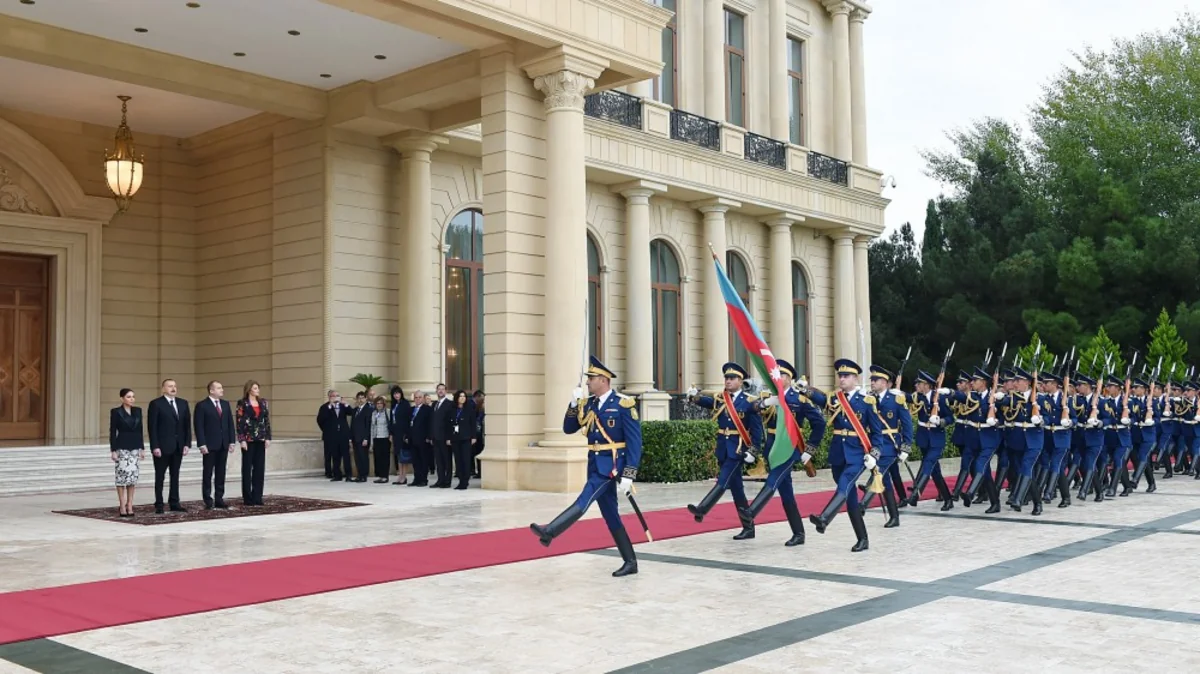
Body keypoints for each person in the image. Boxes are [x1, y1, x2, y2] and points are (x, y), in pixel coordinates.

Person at [529, 356, 642, 577]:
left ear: (603, 379)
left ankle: (550, 531)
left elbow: (635, 442)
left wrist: (629, 473)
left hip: (611, 468)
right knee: (611, 515)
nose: (588, 382)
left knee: (585, 498)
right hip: (594, 463)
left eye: (591, 378)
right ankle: (631, 562)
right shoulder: (589, 403)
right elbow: (568, 428)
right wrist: (573, 405)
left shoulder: (622, 404)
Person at [740, 360, 825, 546]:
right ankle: (799, 533)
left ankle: (751, 511)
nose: (779, 378)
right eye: (777, 375)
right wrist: (767, 402)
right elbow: (748, 410)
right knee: (786, 492)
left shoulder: (799, 399)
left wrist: (810, 449)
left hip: (790, 445)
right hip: (772, 446)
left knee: (774, 478)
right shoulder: (768, 395)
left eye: (783, 375)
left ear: (790, 378)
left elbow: (820, 423)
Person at [808, 359, 884, 552]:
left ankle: (824, 518)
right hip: (838, 453)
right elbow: (822, 400)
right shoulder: (835, 398)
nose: (841, 379)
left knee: (845, 483)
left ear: (855, 378)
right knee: (849, 498)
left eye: (846, 376)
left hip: (857, 454)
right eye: (840, 376)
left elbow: (877, 431)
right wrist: (805, 390)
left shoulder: (866, 401)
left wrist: (875, 453)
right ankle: (863, 539)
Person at [685, 363, 763, 540]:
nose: (728, 381)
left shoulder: (750, 401)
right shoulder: (721, 398)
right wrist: (694, 397)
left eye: (732, 378)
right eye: (726, 378)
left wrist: (754, 450)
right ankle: (749, 528)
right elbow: (706, 402)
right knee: (737, 490)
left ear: (740, 380)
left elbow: (757, 430)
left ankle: (702, 509)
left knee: (723, 480)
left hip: (737, 451)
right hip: (723, 449)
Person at [860, 365, 914, 526]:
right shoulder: (868, 399)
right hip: (874, 444)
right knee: (886, 482)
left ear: (884, 382)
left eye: (875, 380)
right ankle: (894, 517)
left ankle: (862, 504)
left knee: (878, 473)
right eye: (872, 380)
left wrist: (906, 447)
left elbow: (907, 425)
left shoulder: (896, 399)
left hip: (890, 444)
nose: (872, 383)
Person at [906, 370, 954, 512]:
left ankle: (916, 493)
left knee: (928, 463)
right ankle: (948, 499)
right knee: (935, 471)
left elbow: (951, 417)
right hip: (923, 437)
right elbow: (906, 398)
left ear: (926, 385)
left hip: (936, 438)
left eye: (919, 383)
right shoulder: (918, 398)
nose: (916, 385)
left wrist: (940, 421)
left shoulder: (939, 398)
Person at [147, 378, 191, 514]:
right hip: (162, 446)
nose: (173, 388)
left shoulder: (183, 403)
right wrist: (155, 446)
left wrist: (187, 443)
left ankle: (174, 502)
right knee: (160, 476)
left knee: (175, 475)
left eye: (175, 386)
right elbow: (152, 427)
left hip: (178, 446)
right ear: (163, 388)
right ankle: (159, 503)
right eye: (170, 386)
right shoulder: (156, 404)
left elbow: (187, 426)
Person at [194, 380, 236, 510]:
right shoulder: (202, 405)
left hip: (223, 443)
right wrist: (202, 443)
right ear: (211, 390)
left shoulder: (225, 404)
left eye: (221, 388)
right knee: (208, 472)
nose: (222, 390)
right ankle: (207, 499)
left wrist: (232, 441)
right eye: (219, 388)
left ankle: (219, 498)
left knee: (221, 472)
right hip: (210, 445)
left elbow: (230, 424)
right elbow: (199, 426)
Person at [109, 388, 145, 517]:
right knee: (121, 478)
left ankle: (130, 504)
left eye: (133, 397)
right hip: (122, 446)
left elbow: (140, 430)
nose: (132, 399)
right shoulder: (116, 412)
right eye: (129, 397)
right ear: (122, 398)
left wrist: (142, 448)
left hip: (134, 446)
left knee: (132, 479)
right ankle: (122, 504)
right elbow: (113, 431)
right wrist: (113, 450)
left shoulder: (138, 411)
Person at [235, 380, 272, 506]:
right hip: (248, 439)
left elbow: (266, 421)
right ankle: (248, 497)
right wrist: (242, 439)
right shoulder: (242, 403)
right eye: (255, 388)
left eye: (258, 388)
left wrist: (268, 437)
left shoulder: (263, 403)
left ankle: (258, 496)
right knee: (247, 469)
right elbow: (239, 422)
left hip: (260, 439)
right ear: (249, 389)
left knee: (259, 468)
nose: (257, 390)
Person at [317, 390, 351, 481]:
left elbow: (351, 412)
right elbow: (320, 420)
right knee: (335, 456)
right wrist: (329, 406)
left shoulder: (343, 406)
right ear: (329, 397)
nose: (336, 397)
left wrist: (346, 404)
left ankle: (348, 475)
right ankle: (337, 475)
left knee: (346, 455)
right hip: (332, 436)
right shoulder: (325, 407)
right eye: (333, 396)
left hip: (343, 435)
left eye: (337, 395)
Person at [448, 390, 477, 489]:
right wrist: (449, 438)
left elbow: (473, 424)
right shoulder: (453, 409)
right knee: (458, 460)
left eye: (464, 396)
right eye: (460, 396)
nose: (462, 398)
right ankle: (460, 479)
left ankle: (465, 481)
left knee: (465, 459)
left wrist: (473, 436)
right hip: (456, 438)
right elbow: (449, 424)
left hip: (466, 438)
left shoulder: (469, 409)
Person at [405, 390, 432, 486]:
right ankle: (417, 479)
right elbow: (408, 424)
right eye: (416, 397)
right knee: (415, 460)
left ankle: (423, 479)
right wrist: (407, 436)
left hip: (423, 439)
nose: (417, 399)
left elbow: (430, 424)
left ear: (423, 398)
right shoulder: (411, 410)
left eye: (419, 397)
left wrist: (429, 436)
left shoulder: (427, 409)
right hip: (412, 439)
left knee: (423, 460)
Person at [430, 384, 454, 488]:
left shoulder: (449, 404)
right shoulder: (434, 404)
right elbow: (432, 421)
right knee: (438, 461)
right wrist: (431, 436)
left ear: (446, 391)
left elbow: (450, 423)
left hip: (445, 438)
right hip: (436, 437)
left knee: (446, 460)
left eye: (442, 389)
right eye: (438, 389)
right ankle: (440, 480)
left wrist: (449, 437)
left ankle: (447, 481)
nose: (440, 391)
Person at [388, 386, 412, 485]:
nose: (396, 395)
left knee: (404, 455)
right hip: (396, 432)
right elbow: (391, 420)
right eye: (394, 394)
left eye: (398, 393)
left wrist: (406, 434)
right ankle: (400, 475)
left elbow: (408, 419)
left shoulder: (405, 404)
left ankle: (404, 476)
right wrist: (391, 433)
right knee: (398, 454)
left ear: (401, 394)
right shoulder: (394, 405)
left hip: (403, 432)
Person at [350, 391, 372, 482]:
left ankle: (364, 475)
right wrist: (350, 438)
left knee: (363, 457)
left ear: (366, 399)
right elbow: (352, 424)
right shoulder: (355, 410)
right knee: (357, 457)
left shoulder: (368, 409)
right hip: (355, 438)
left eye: (362, 398)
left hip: (363, 438)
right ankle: (359, 474)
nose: (360, 399)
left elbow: (368, 425)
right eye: (359, 398)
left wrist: (366, 438)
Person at [370, 396, 392, 483]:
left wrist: (391, 435)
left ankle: (385, 476)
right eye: (377, 403)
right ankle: (380, 475)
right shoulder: (374, 413)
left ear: (384, 404)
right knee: (377, 458)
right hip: (376, 437)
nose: (379, 405)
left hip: (385, 437)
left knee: (385, 458)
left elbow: (391, 425)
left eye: (381, 403)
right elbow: (372, 427)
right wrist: (372, 441)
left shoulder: (388, 412)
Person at [472, 390, 486, 479]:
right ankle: (480, 472)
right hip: (479, 436)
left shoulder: (483, 410)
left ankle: (481, 472)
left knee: (480, 454)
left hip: (482, 436)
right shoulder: (478, 409)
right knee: (478, 454)